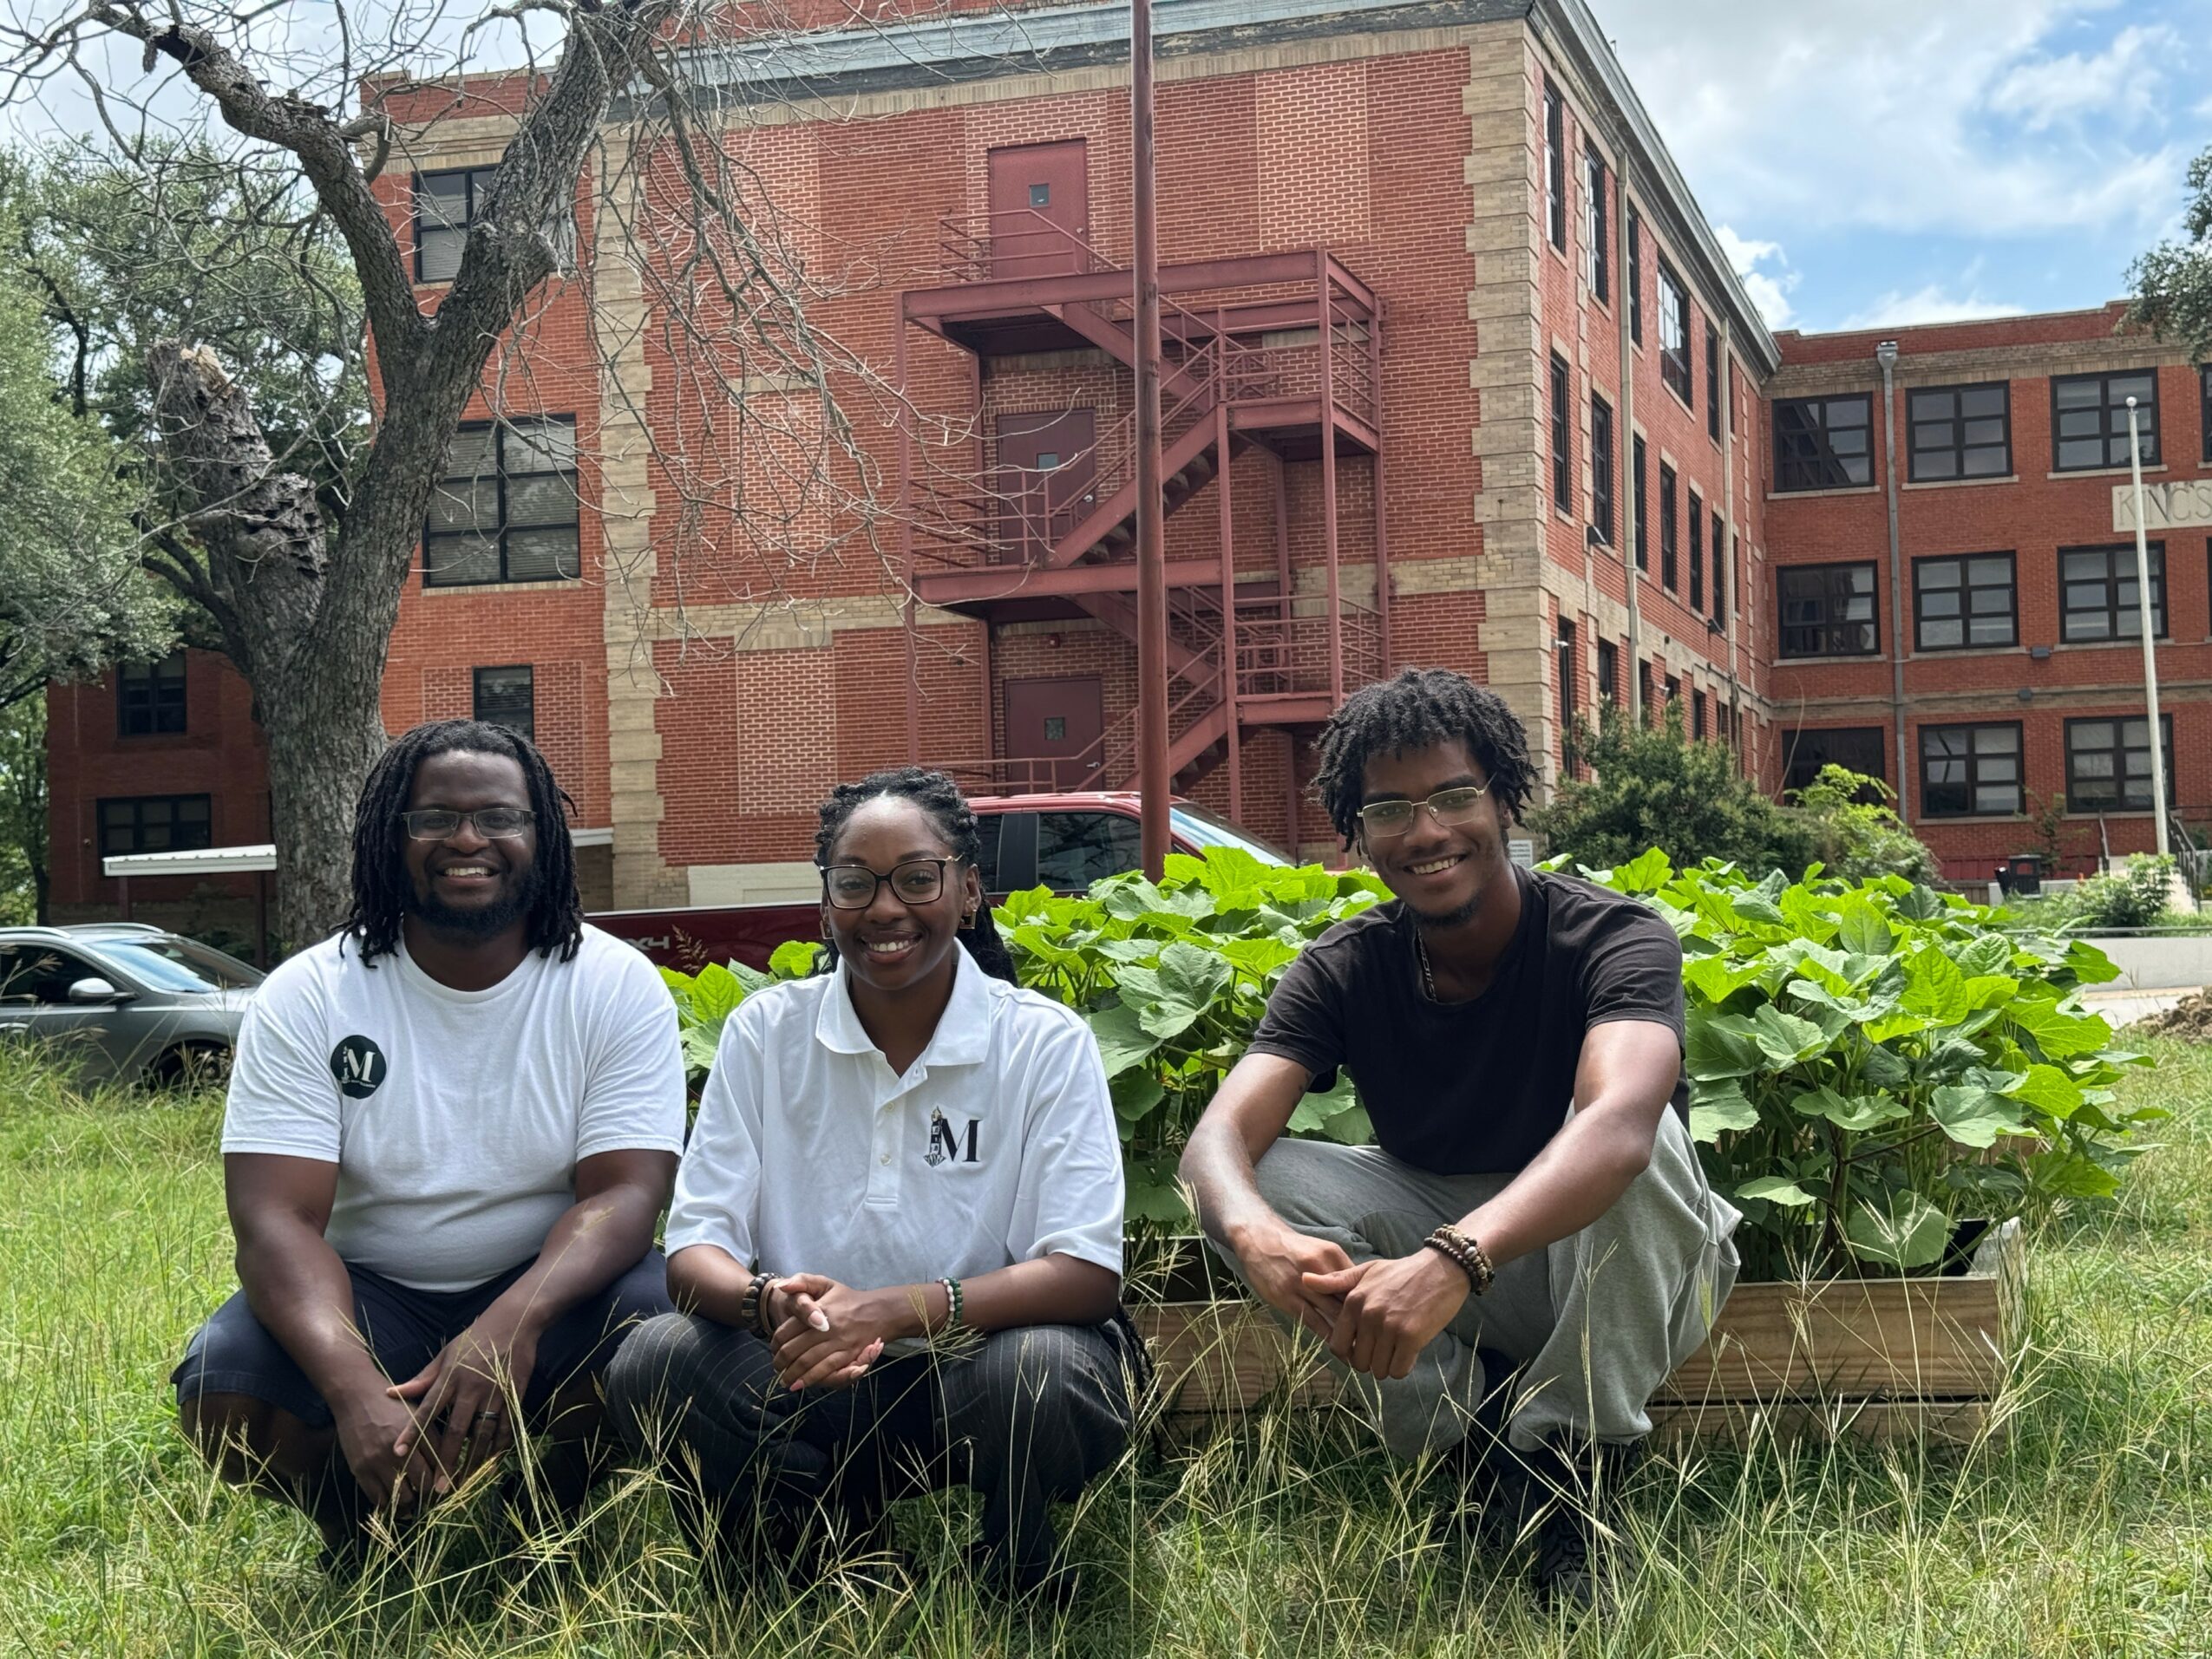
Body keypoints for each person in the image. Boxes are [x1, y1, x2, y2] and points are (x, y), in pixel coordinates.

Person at [1179, 668, 1739, 1609]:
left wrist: (1453, 1257)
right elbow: (1214, 1142)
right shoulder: (1346, 966)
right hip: (1469, 1278)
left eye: (1452, 796)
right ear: (1359, 832)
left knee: (1639, 1145)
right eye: (1389, 809)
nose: (1426, 831)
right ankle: (1469, 1446)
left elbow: (1617, 1127)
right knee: (1254, 1179)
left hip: (1632, 1276)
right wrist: (1255, 1234)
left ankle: (1573, 1470)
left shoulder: (1613, 936)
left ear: (1503, 799)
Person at [605, 767, 1134, 1604]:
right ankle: (814, 1554)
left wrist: (890, 1310)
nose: (885, 907)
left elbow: (1085, 1275)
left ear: (968, 891)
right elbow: (694, 1251)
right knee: (656, 1356)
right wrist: (768, 1302)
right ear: (826, 903)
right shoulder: (765, 1034)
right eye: (855, 882)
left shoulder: (1041, 1043)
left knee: (1044, 1368)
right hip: (808, 1372)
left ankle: (1016, 1573)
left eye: (918, 878)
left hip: (978, 1371)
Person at [172, 719, 687, 1567]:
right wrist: (353, 1388)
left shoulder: (612, 983)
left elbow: (625, 1193)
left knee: (667, 1337)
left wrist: (510, 1322)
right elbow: (275, 1220)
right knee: (227, 1389)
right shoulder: (310, 994)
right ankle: (367, 1526)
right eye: (435, 818)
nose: (468, 840)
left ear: (542, 834)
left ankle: (541, 1511)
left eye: (500, 817)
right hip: (373, 1292)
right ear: (391, 835)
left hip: (551, 1287)